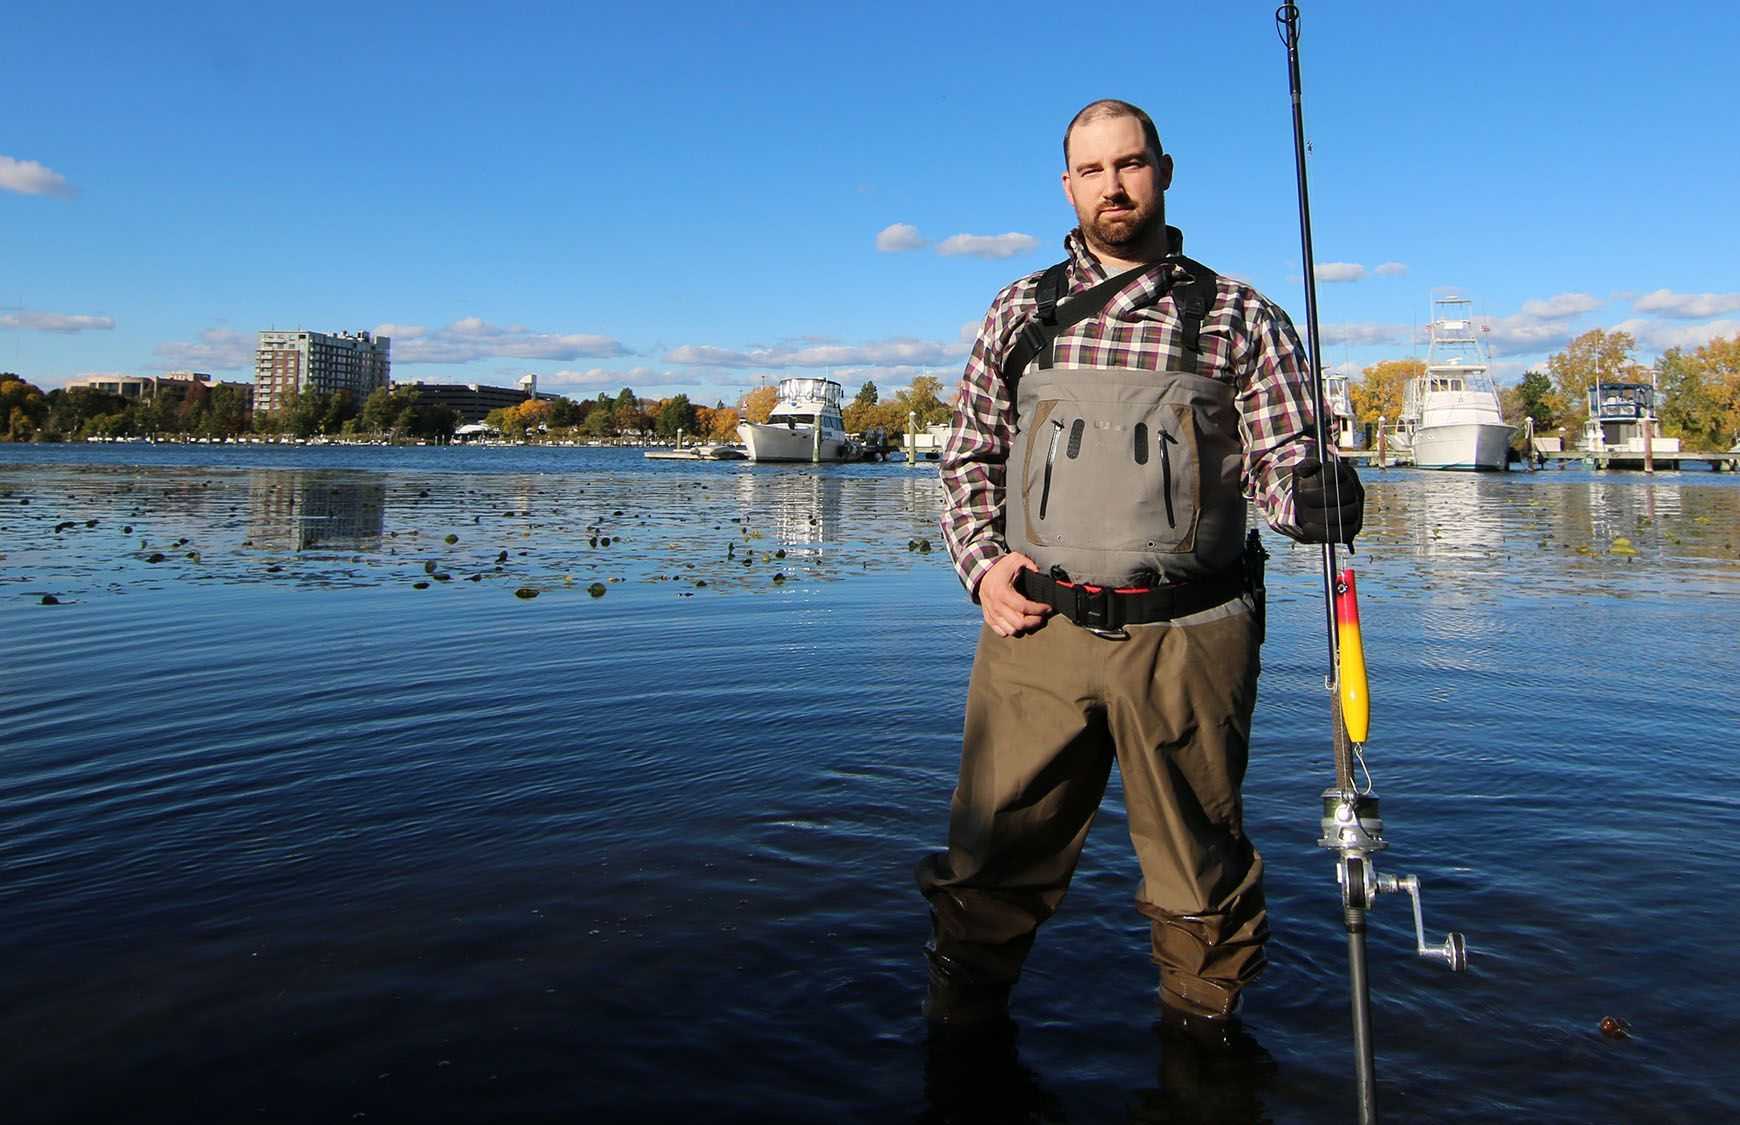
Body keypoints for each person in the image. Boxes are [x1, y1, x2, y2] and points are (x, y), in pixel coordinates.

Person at [916, 98, 1363, 1037]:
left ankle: (1203, 1052)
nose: (1113, 186)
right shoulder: (1019, 311)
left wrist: (1314, 496)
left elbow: (1283, 460)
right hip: (1034, 635)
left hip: (1191, 641)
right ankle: (961, 1042)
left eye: (1130, 164)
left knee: (1199, 871)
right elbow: (967, 459)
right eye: (1092, 170)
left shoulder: (1241, 312)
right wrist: (983, 569)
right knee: (987, 860)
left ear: (1164, 168)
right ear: (1067, 186)